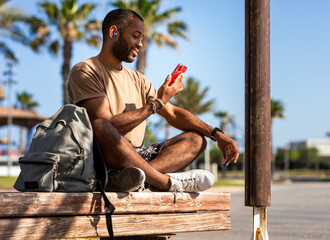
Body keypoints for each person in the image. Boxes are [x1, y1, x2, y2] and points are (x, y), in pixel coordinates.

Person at [68, 8, 239, 193]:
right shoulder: (86, 70)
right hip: (101, 159)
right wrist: (155, 104)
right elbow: (105, 126)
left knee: (196, 140)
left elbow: (172, 114)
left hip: (137, 157)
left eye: (142, 38)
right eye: (135, 36)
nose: (140, 44)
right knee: (102, 127)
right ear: (113, 32)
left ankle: (134, 180)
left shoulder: (138, 79)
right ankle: (165, 182)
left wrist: (216, 135)